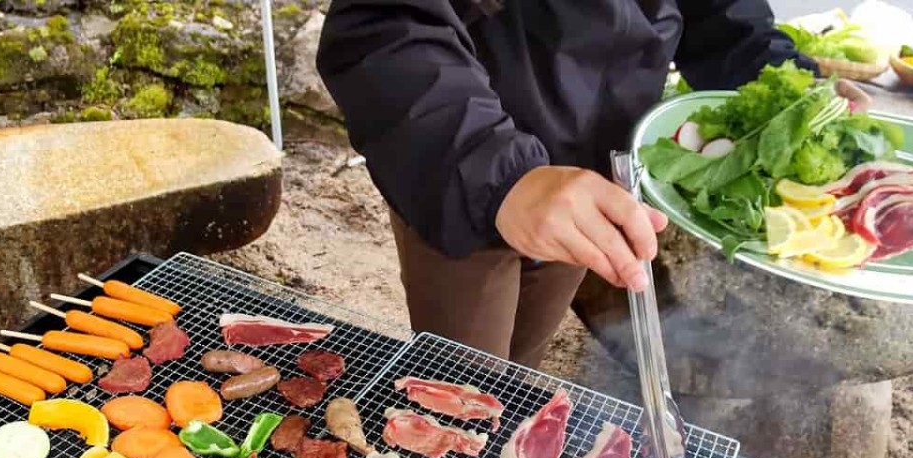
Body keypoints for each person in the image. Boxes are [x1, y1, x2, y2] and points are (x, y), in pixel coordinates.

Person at [316, 0, 821, 368]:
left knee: (521, 359)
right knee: (462, 381)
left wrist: (786, 83)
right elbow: (381, 22)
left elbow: (721, 13)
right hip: (457, 167)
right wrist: (498, 174)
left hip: (590, 176)